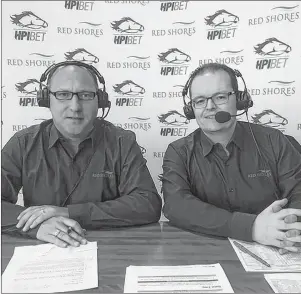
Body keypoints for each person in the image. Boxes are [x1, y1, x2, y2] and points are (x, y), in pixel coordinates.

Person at [2, 61, 162, 248]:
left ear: (100, 100)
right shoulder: (24, 143)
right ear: (46, 100)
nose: (75, 106)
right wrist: (36, 227)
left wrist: (66, 212)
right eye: (63, 95)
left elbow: (147, 204)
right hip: (43, 252)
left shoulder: (121, 142)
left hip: (111, 250)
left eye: (85, 95)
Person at [162, 63, 301, 254]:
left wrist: (289, 226)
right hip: (207, 252)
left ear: (240, 99)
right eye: (200, 101)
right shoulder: (179, 152)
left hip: (276, 250)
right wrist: (251, 228)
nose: (210, 107)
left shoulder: (275, 141)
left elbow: (298, 194)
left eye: (220, 97)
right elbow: (176, 205)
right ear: (190, 108)